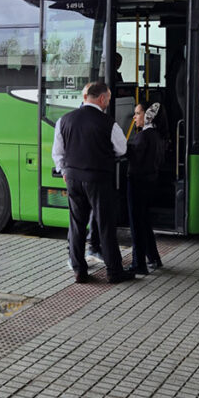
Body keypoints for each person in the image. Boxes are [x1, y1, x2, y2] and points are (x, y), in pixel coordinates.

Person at [52, 82, 134, 284]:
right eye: (108, 98)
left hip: (73, 178)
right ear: (102, 98)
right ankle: (114, 272)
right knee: (105, 224)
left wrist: (64, 171)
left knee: (77, 224)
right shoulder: (108, 123)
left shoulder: (64, 120)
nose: (108, 101)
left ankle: (79, 270)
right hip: (98, 179)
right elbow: (122, 149)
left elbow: (58, 152)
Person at [126, 102, 165, 274]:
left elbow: (129, 155)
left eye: (137, 113)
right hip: (150, 182)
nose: (134, 117)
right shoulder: (157, 135)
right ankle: (153, 258)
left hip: (137, 183)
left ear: (148, 115)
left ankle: (138, 264)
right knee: (145, 222)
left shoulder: (142, 137)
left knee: (136, 224)